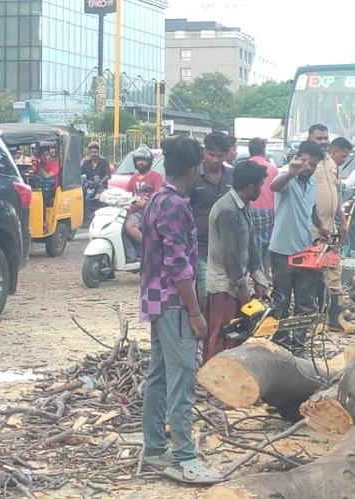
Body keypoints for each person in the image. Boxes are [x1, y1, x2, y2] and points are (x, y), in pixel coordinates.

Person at [139, 136, 220, 484]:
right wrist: (194, 312)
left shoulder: (157, 198)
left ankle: (156, 447)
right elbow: (179, 265)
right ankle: (184, 457)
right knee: (182, 376)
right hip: (174, 303)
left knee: (159, 375)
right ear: (195, 168)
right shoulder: (175, 205)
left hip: (156, 300)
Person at [202, 161, 268, 362]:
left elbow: (251, 244)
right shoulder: (227, 210)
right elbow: (230, 255)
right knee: (222, 334)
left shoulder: (243, 206)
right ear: (251, 187)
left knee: (237, 334)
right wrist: (242, 289)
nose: (261, 189)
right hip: (224, 284)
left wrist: (260, 278)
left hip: (237, 281)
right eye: (260, 185)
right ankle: (211, 381)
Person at [268, 141, 326, 327]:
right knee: (281, 301)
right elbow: (274, 187)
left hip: (305, 251)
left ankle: (299, 341)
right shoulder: (286, 177)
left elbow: (312, 208)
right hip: (282, 251)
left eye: (314, 164)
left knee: (305, 302)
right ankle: (279, 341)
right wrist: (292, 172)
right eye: (306, 162)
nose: (309, 167)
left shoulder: (312, 183)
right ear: (298, 158)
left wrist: (321, 226)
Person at [189, 133, 234, 307]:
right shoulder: (193, 176)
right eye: (211, 154)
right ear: (204, 151)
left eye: (219, 155)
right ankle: (203, 328)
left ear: (227, 153)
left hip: (226, 245)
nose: (215, 159)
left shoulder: (232, 175)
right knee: (204, 291)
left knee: (225, 291)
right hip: (200, 245)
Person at [313, 136, 353, 332]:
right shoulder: (308, 164)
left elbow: (336, 195)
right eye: (343, 155)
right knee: (313, 273)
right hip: (312, 228)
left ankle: (335, 319)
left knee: (333, 271)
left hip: (331, 228)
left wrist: (343, 222)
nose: (344, 159)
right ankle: (317, 318)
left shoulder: (332, 165)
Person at [245, 138, 279, 277]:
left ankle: (254, 275)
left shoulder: (244, 166)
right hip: (269, 210)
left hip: (249, 208)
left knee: (253, 245)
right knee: (267, 245)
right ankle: (265, 274)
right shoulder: (272, 168)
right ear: (263, 150)